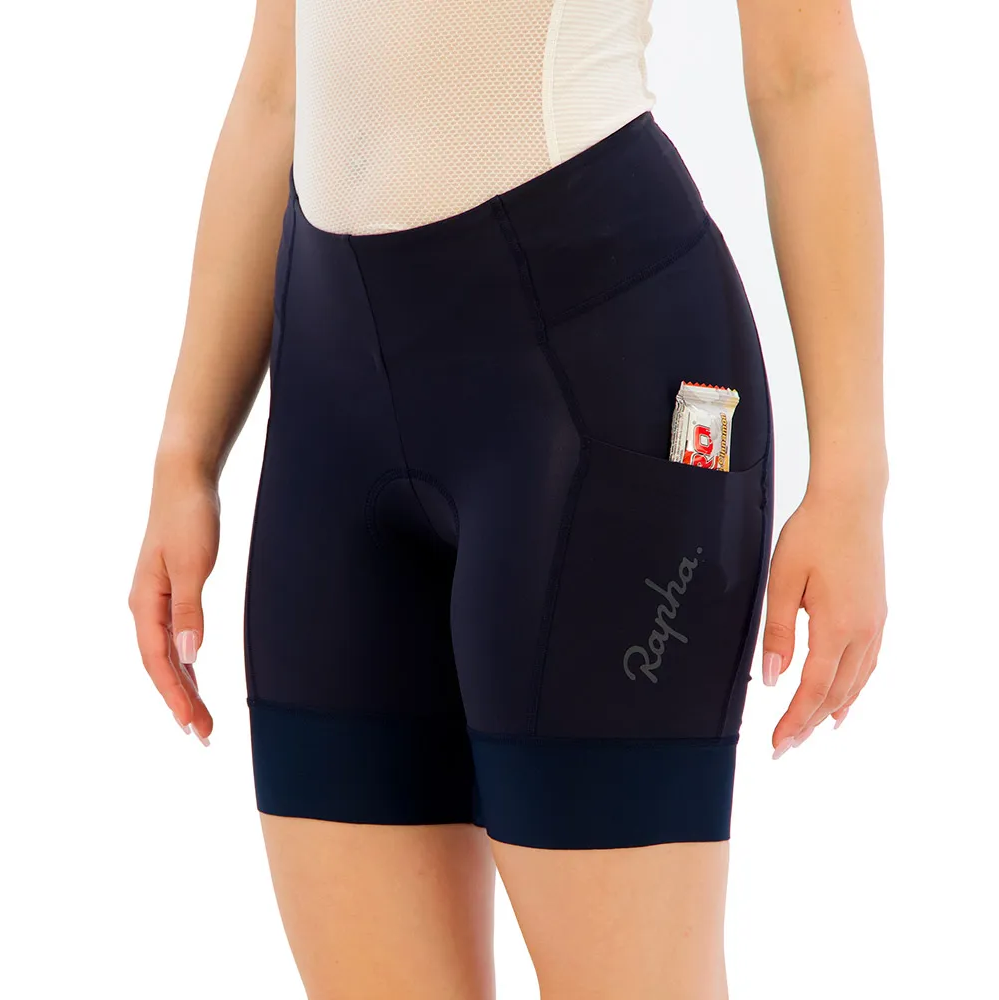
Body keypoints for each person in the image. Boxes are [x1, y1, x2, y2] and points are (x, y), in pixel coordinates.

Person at [128, 0, 888, 996]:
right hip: (331, 402)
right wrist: (185, 456)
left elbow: (804, 71)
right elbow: (278, 83)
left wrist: (851, 481)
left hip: (593, 383)